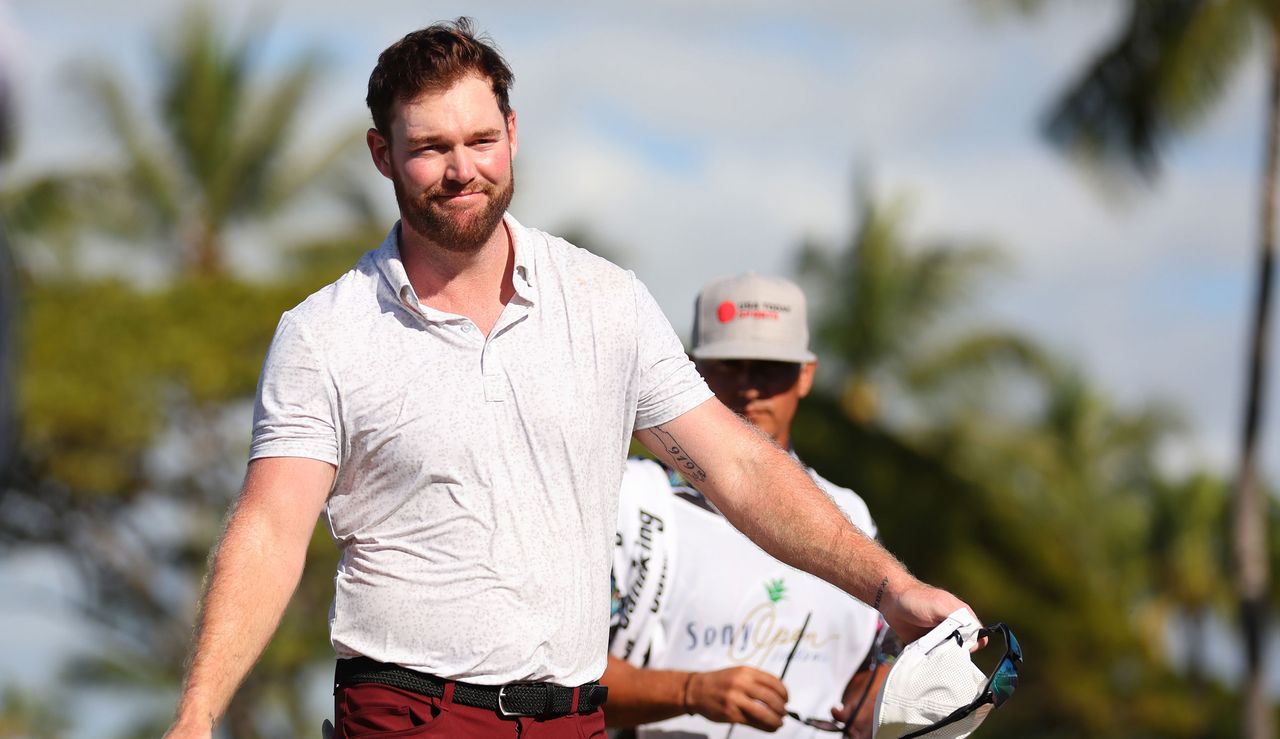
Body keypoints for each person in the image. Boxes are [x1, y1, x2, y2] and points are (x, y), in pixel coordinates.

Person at [163, 18, 974, 739]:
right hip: (410, 713)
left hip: (573, 717)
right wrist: (200, 708)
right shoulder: (325, 332)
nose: (461, 170)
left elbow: (738, 467)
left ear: (513, 133)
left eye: (481, 140)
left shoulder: (604, 300)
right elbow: (271, 527)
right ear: (383, 154)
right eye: (429, 148)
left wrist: (891, 586)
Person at [604, 275, 895, 738]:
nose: (749, 387)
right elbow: (556, 678)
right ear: (692, 368)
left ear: (805, 376)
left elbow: (875, 665)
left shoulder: (849, 514)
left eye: (769, 368)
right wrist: (690, 692)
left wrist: (902, 696)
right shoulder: (630, 500)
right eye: (728, 365)